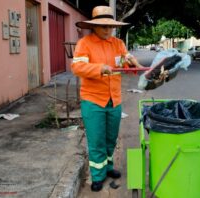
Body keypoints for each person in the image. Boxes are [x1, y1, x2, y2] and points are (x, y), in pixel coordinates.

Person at [71, 6, 143, 192]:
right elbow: (77, 67)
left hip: (114, 100)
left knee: (111, 138)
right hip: (93, 100)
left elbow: (124, 62)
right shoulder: (85, 43)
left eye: (110, 26)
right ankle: (97, 175)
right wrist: (99, 68)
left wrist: (132, 62)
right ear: (94, 26)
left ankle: (108, 167)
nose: (107, 30)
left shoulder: (118, 43)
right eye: (103, 26)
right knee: (97, 140)